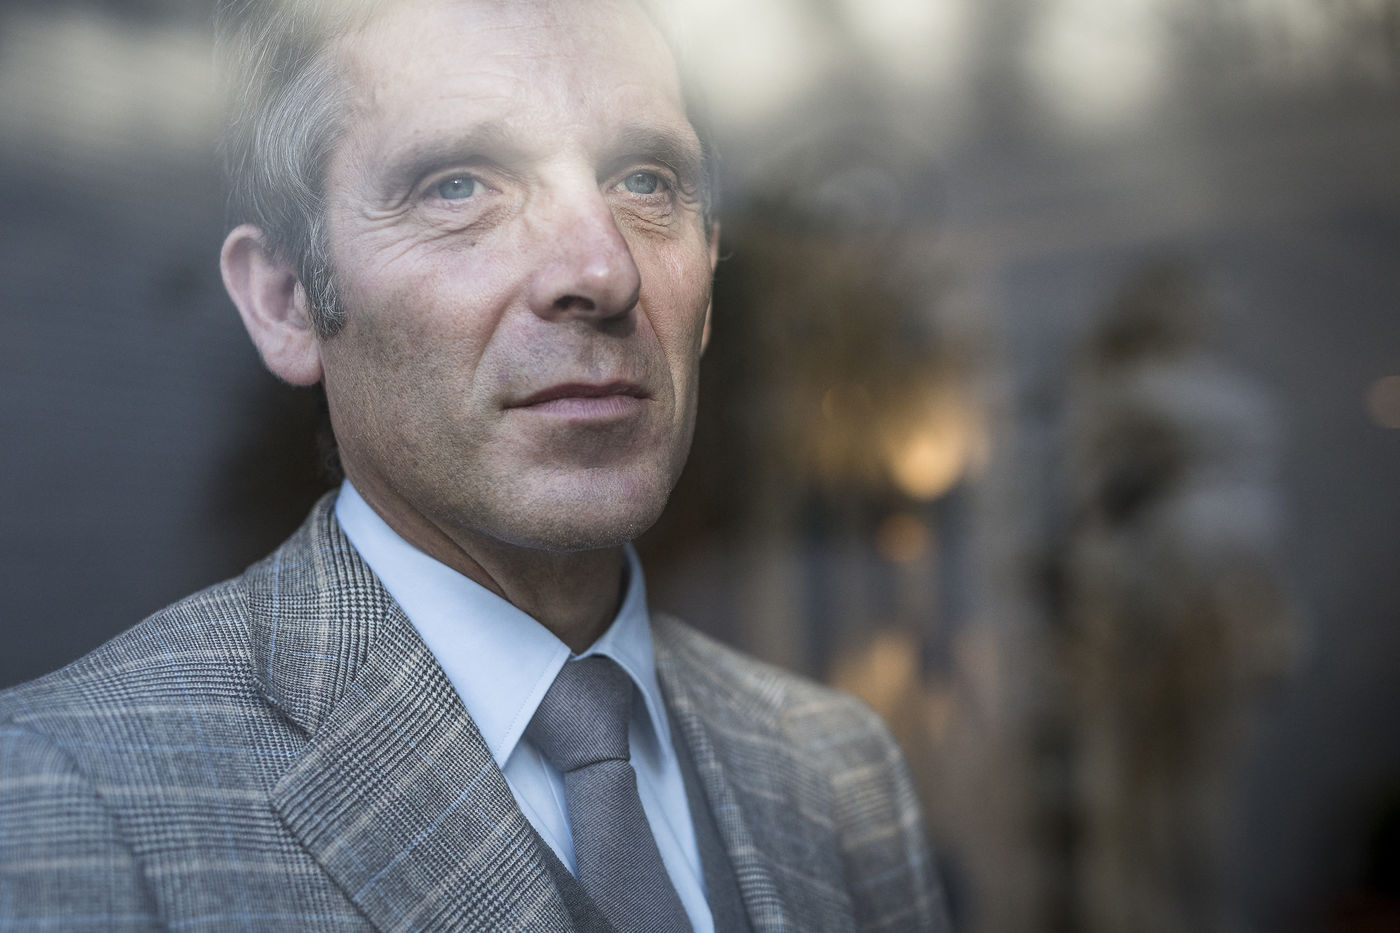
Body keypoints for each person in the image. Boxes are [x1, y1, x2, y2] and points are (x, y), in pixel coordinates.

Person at [0, 0, 949, 930]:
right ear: (288, 301)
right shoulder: (69, 795)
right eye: (457, 186)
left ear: (706, 269)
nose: (603, 271)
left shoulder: (840, 774)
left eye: (645, 181)